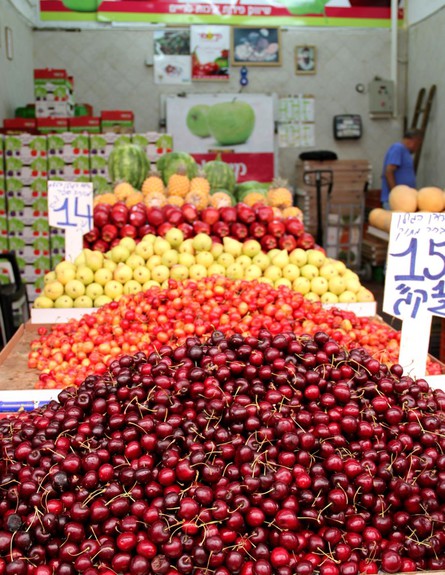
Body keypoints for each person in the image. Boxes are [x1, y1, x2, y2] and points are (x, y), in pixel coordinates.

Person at [380, 128, 423, 209]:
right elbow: (389, 172)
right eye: (418, 144)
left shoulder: (405, 152)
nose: (417, 148)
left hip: (405, 201)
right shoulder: (398, 148)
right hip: (396, 201)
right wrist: (396, 194)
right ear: (412, 140)